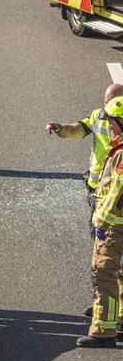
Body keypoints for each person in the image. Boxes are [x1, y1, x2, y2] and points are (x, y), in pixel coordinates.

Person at [47, 83, 123, 317]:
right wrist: (60, 128)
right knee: (102, 252)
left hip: (111, 196)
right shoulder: (99, 117)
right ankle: (104, 302)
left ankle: (115, 308)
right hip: (97, 192)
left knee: (112, 255)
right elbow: (76, 129)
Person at [81, 96, 123, 347]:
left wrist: (100, 220)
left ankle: (102, 331)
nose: (107, 125)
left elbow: (117, 193)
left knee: (104, 273)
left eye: (111, 121)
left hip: (114, 226)